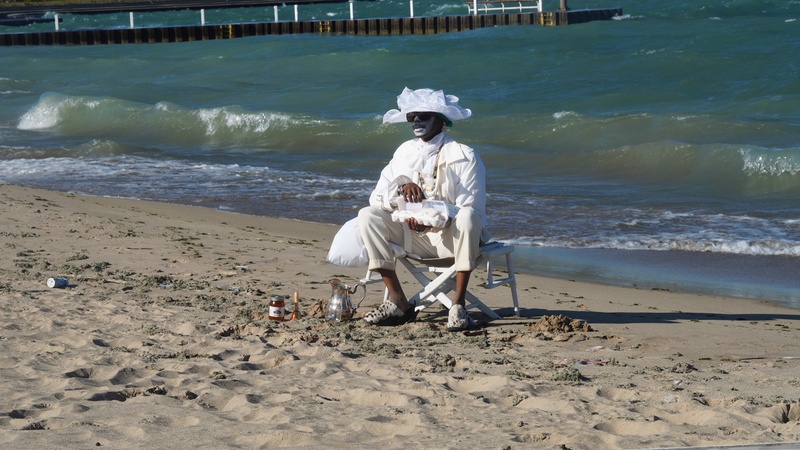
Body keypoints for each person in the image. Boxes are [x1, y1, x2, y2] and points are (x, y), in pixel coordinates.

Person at [359, 87, 490, 331]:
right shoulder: (404, 152)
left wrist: (432, 218)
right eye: (412, 116)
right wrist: (401, 185)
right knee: (367, 216)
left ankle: (458, 305)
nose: (417, 121)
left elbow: (470, 207)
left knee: (469, 217)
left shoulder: (465, 155)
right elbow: (375, 198)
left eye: (424, 116)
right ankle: (399, 301)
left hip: (452, 239)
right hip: (412, 237)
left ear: (442, 120)